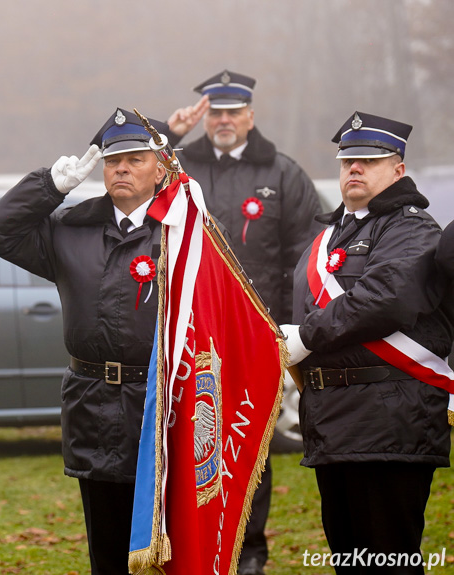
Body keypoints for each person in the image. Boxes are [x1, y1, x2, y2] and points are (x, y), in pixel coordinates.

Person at [0, 108, 168, 575]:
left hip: (163, 404)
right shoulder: (71, 230)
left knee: (167, 547)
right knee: (106, 545)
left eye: (134, 158)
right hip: (95, 403)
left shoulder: (185, 232)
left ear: (161, 167)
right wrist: (50, 186)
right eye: (112, 160)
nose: (121, 168)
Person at [164, 70, 322, 575]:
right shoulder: (180, 167)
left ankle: (248, 551)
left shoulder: (282, 173)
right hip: (191, 339)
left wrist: (293, 331)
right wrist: (169, 137)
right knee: (190, 443)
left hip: (255, 338)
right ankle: (193, 545)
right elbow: (136, 180)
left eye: (234, 111)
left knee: (248, 444)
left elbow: (306, 258)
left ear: (251, 116)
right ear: (204, 118)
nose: (225, 120)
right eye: (216, 112)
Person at [282, 112, 452, 574]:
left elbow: (383, 299)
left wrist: (307, 336)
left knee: (387, 562)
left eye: (369, 160)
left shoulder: (412, 228)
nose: (353, 169)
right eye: (347, 161)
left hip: (388, 418)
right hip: (334, 422)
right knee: (351, 561)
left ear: (399, 169)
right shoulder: (329, 234)